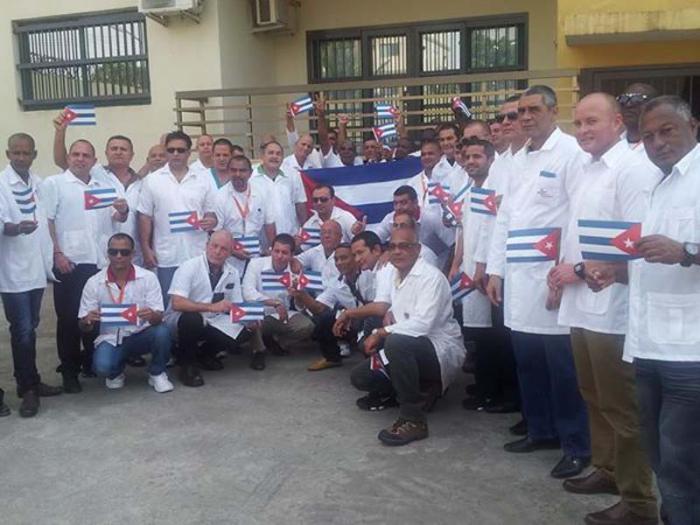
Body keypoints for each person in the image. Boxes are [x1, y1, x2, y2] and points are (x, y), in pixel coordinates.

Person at [549, 93, 660, 525]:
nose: (583, 131)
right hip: (581, 305)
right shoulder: (585, 168)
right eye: (578, 123)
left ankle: (639, 502)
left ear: (618, 122)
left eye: (592, 121)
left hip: (613, 309)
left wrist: (578, 269)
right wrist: (563, 273)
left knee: (622, 407)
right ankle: (608, 469)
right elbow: (577, 232)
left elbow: (640, 244)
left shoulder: (632, 169)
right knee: (593, 395)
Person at [589, 95, 700, 525]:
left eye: (667, 131)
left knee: (680, 462)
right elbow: (654, 262)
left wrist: (686, 252)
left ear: (693, 126)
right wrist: (616, 273)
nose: (657, 143)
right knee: (659, 457)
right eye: (649, 136)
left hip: (689, 353)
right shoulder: (658, 186)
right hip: (648, 346)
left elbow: (678, 254)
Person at [485, 85, 591, 479]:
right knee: (528, 361)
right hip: (518, 277)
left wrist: (565, 272)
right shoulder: (518, 159)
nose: (525, 118)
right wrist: (495, 270)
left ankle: (576, 445)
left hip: (551, 277)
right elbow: (505, 219)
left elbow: (577, 217)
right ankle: (540, 429)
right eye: (520, 112)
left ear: (553, 110)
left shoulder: (571, 153)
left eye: (533, 110)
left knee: (562, 368)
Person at [337, 227, 466, 446]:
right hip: (410, 346)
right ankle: (424, 390)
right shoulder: (394, 275)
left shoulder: (430, 277)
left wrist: (381, 332)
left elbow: (423, 324)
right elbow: (386, 306)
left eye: (404, 246)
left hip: (438, 348)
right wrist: (387, 316)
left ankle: (413, 419)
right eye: (393, 247)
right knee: (361, 377)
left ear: (417, 249)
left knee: (396, 342)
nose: (397, 251)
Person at [42, 139, 129, 393]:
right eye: (76, 154)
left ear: (94, 160)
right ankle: (69, 372)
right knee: (69, 319)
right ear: (69, 158)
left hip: (99, 262)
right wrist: (57, 253)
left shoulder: (102, 186)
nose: (80, 159)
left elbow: (114, 219)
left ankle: (90, 362)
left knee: (96, 315)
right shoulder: (55, 184)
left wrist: (123, 211)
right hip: (70, 262)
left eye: (86, 155)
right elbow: (47, 221)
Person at [0, 133, 61, 417]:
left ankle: (31, 379)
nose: (21, 158)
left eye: (26, 153)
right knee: (22, 330)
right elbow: (2, 223)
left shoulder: (39, 183)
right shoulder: (1, 184)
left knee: (31, 327)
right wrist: (16, 228)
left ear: (34, 155)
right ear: (8, 154)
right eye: (16, 153)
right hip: (12, 272)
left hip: (36, 269)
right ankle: (27, 389)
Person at [168, 230, 266, 386]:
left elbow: (235, 305)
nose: (218, 252)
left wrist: (249, 320)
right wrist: (211, 307)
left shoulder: (232, 272)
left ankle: (203, 355)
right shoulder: (189, 267)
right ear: (207, 245)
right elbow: (177, 303)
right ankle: (187, 366)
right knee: (192, 319)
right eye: (214, 246)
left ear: (230, 252)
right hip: (182, 321)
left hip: (212, 320)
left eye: (224, 249)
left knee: (246, 330)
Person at [78, 233, 173, 393]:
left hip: (141, 333)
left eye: (124, 252)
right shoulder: (94, 282)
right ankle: (116, 372)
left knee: (162, 332)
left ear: (133, 254)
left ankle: (157, 372)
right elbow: (83, 326)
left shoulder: (148, 277)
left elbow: (159, 317)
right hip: (111, 338)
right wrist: (87, 321)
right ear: (108, 253)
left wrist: (152, 315)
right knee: (102, 367)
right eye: (113, 252)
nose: (119, 256)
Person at [448, 138, 504, 411]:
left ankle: (494, 391)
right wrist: (456, 263)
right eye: (467, 157)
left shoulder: (494, 189)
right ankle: (483, 385)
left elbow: (490, 231)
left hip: (486, 272)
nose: (471, 162)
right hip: (470, 270)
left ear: (490, 160)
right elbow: (464, 231)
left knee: (493, 336)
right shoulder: (470, 190)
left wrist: (483, 268)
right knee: (477, 333)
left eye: (477, 157)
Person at [138, 131, 218, 305]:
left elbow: (211, 212)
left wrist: (211, 220)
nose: (175, 154)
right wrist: (145, 247)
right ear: (166, 151)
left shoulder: (203, 179)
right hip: (166, 255)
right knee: (169, 306)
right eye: (171, 150)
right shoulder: (151, 180)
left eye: (180, 150)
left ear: (189, 152)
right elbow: (144, 216)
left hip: (197, 252)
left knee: (199, 304)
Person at [290, 243, 361, 371]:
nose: (339, 263)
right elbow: (318, 308)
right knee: (325, 319)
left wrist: (349, 314)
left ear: (355, 257)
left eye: (344, 258)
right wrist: (301, 293)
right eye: (336, 259)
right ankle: (332, 358)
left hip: (374, 320)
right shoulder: (336, 283)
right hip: (353, 321)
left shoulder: (368, 274)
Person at [242, 234, 316, 356]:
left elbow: (299, 307)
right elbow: (248, 292)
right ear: (271, 250)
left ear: (292, 255)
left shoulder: (295, 271)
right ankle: (259, 352)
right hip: (259, 312)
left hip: (282, 315)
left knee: (306, 326)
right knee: (250, 319)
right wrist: (274, 303)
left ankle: (277, 343)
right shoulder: (255, 264)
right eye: (276, 251)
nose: (279, 256)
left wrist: (298, 296)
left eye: (284, 252)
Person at [214, 155, 275, 274]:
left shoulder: (261, 193)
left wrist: (271, 249)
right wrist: (233, 251)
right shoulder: (220, 196)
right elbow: (216, 232)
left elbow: (269, 224)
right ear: (228, 171)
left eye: (242, 170)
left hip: (256, 254)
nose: (238, 174)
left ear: (250, 173)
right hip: (229, 256)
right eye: (233, 170)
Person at [407, 138, 459, 265]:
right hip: (421, 237)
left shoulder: (452, 177)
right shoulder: (411, 183)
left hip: (447, 237)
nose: (426, 157)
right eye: (423, 154)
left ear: (440, 154)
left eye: (430, 153)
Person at [369, 186, 439, 266]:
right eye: (396, 203)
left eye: (403, 203)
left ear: (415, 202)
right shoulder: (390, 219)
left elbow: (451, 243)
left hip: (435, 262)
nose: (398, 208)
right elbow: (373, 240)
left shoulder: (431, 218)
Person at [249, 140, 308, 236]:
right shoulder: (251, 178)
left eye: (278, 154)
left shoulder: (293, 175)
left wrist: (303, 232)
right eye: (270, 153)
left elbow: (300, 205)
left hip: (290, 237)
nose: (274, 156)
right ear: (262, 156)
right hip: (261, 239)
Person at [616, 83, 658, 155]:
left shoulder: (662, 146)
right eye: (624, 99)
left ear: (654, 107)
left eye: (637, 100)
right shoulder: (609, 143)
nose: (628, 105)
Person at [297, 220, 342, 286]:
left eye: (330, 232)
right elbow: (296, 262)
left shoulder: (347, 253)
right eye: (323, 233)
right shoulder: (315, 251)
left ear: (340, 236)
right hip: (317, 292)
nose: (326, 236)